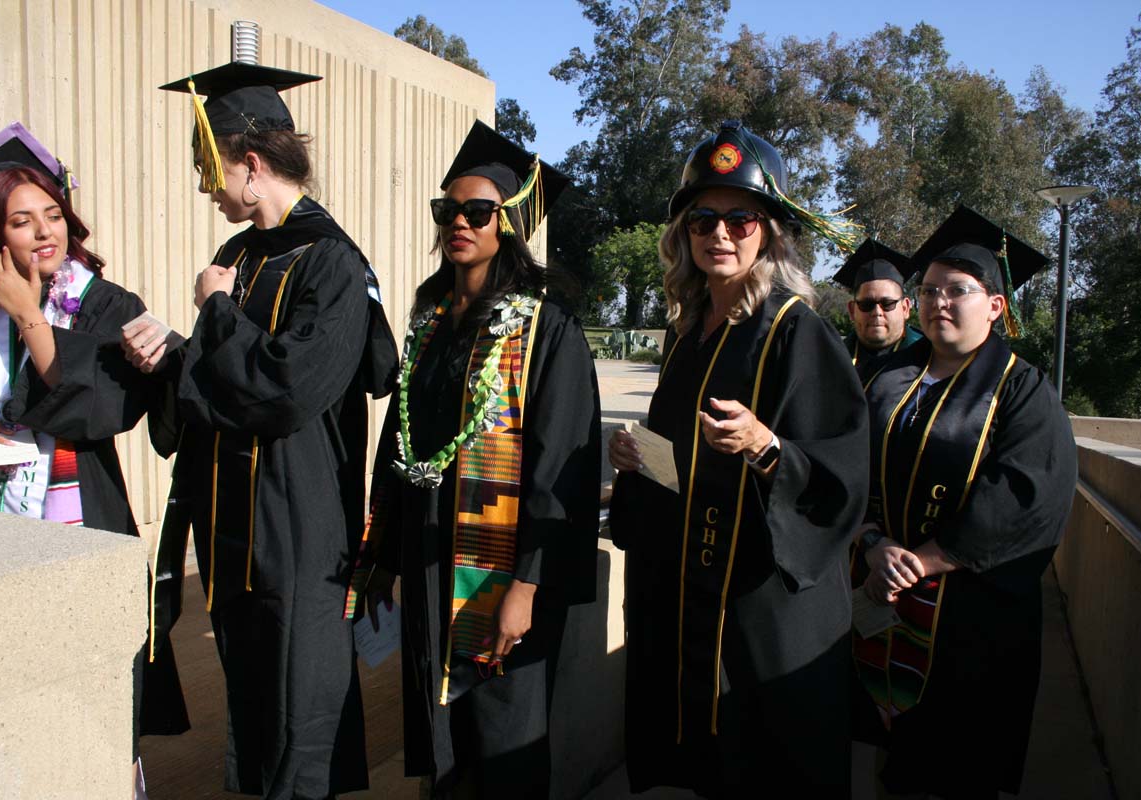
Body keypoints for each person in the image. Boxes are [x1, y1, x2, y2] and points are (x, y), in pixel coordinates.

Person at [132, 62, 397, 800]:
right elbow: (218, 385)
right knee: (255, 722)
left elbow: (285, 390)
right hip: (235, 540)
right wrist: (171, 355)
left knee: (299, 721)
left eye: (208, 167)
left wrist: (215, 316)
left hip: (298, 533)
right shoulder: (240, 256)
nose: (203, 186)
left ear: (252, 164)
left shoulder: (334, 263)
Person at [607, 120, 869, 798]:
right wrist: (640, 460)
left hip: (762, 609)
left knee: (767, 767)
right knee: (707, 768)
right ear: (682, 234)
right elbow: (684, 473)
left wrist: (768, 447)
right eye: (702, 221)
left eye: (740, 220)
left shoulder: (795, 330)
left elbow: (843, 472)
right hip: (694, 597)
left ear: (770, 233)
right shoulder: (688, 334)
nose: (719, 235)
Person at [344, 120, 602, 798]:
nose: (458, 222)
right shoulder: (430, 319)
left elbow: (559, 472)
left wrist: (527, 586)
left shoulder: (549, 327)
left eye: (478, 211)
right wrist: (379, 555)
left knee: (506, 745)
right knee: (447, 745)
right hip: (432, 569)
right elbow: (399, 445)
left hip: (507, 577)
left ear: (509, 224)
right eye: (447, 210)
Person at [0, 122, 188, 799]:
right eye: (23, 222)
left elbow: (103, 407)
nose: (44, 232)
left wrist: (30, 313)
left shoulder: (106, 307)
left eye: (53, 214)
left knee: (93, 716)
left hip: (78, 529)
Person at [852, 205, 1078, 799]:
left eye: (958, 290)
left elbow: (1027, 496)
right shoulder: (887, 379)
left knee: (955, 767)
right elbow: (849, 469)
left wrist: (922, 561)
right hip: (880, 592)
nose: (938, 302)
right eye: (927, 290)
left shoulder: (1023, 389)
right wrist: (872, 543)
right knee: (890, 762)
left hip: (971, 619)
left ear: (996, 306)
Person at [832, 238, 923, 389]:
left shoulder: (930, 360)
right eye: (866, 304)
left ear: (905, 308)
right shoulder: (830, 358)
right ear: (852, 310)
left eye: (887, 303)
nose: (876, 312)